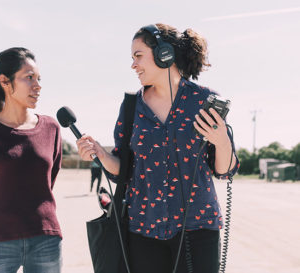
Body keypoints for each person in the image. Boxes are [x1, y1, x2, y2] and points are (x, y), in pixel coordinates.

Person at [76, 24, 239, 273]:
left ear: (165, 54)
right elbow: (124, 169)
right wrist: (101, 153)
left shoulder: (203, 101)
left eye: (138, 56)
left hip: (197, 228)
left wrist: (222, 141)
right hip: (143, 230)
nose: (133, 65)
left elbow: (225, 170)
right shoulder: (131, 107)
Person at [0, 47, 63, 273]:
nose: (38, 85)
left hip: (45, 239)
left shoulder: (51, 128)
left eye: (38, 78)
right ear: (5, 82)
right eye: (29, 78)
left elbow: (47, 181)